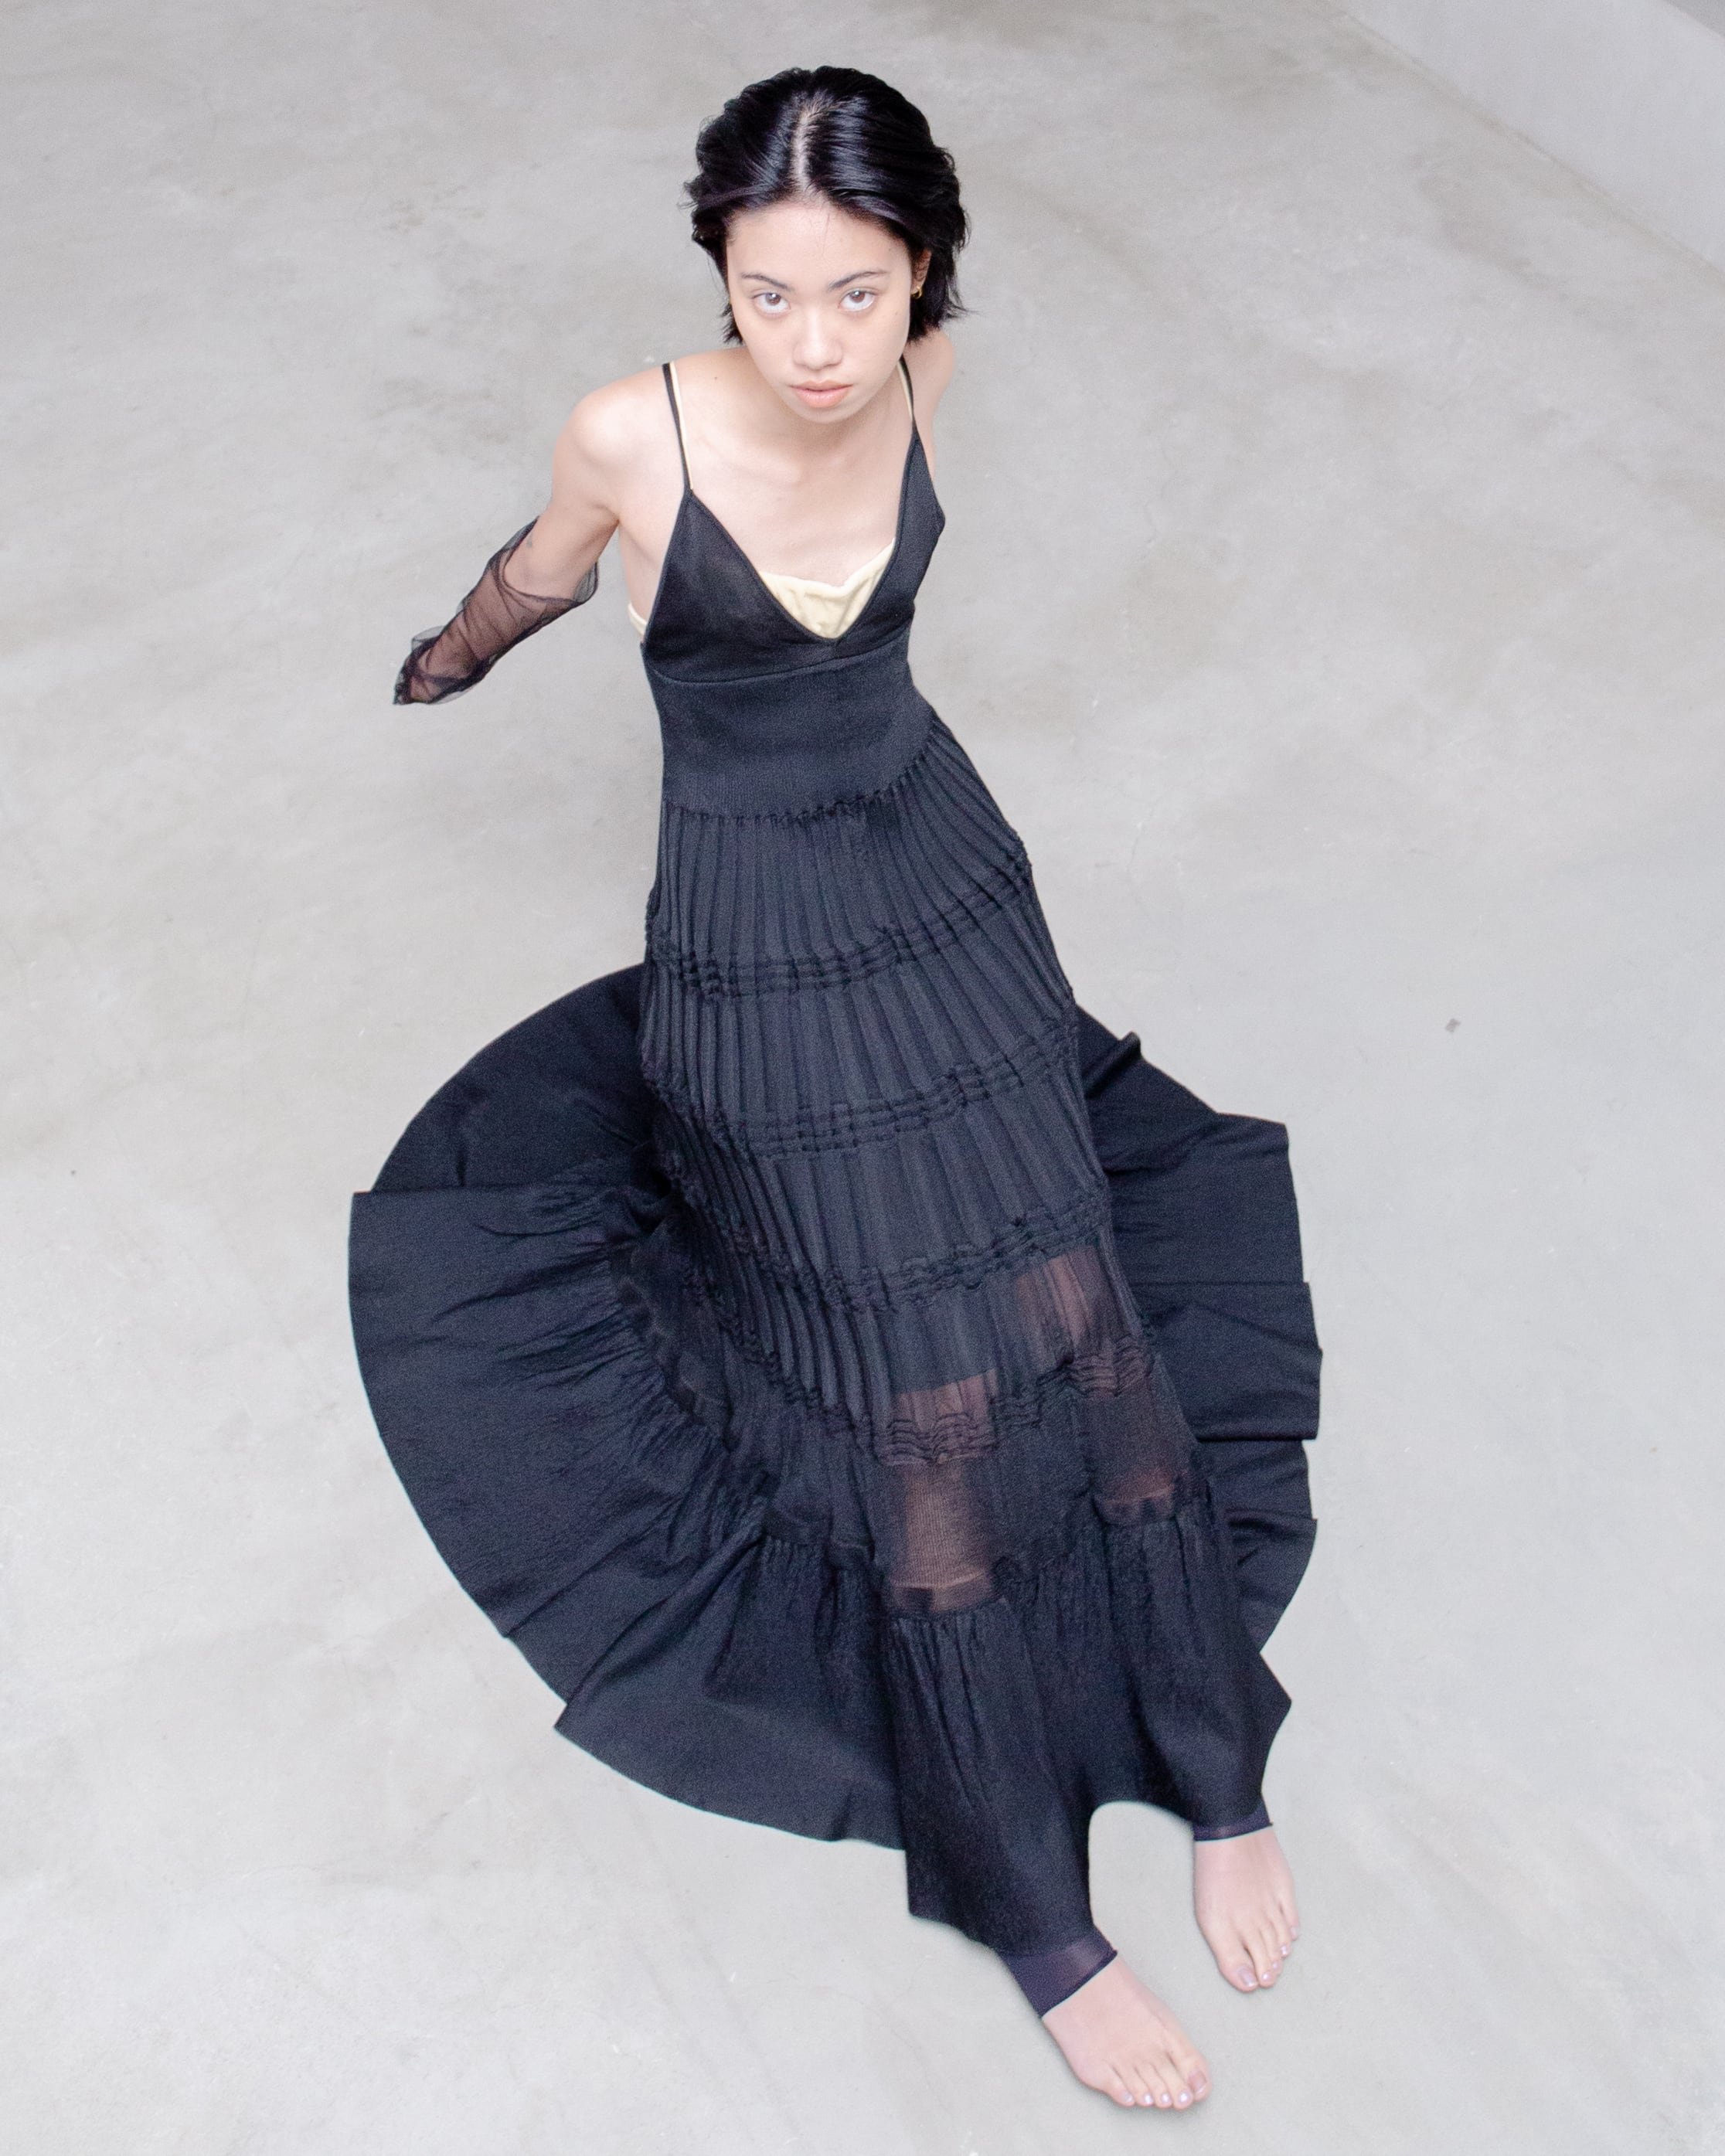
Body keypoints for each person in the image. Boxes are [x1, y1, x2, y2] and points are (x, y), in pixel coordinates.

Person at [351, 65, 1321, 2112]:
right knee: (917, 1383)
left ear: (922, 276)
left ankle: (1212, 1757)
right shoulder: (634, 433)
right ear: (718, 269)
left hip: (944, 879)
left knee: (1076, 1298)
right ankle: (1027, 1899)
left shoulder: (929, 381)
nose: (813, 345)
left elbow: (886, 510)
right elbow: (542, 569)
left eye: (857, 296)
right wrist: (452, 651)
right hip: (756, 931)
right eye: (768, 293)